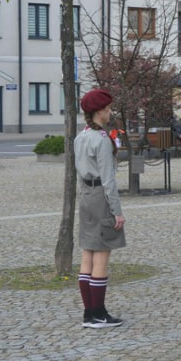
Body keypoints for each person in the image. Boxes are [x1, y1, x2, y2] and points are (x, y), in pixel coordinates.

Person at [74, 89, 126, 327]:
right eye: (107, 109)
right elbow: (109, 179)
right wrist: (116, 210)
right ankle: (99, 313)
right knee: (102, 255)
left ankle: (89, 312)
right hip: (101, 197)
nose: (110, 112)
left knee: (87, 254)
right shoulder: (102, 139)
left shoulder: (81, 136)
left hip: (85, 194)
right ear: (99, 112)